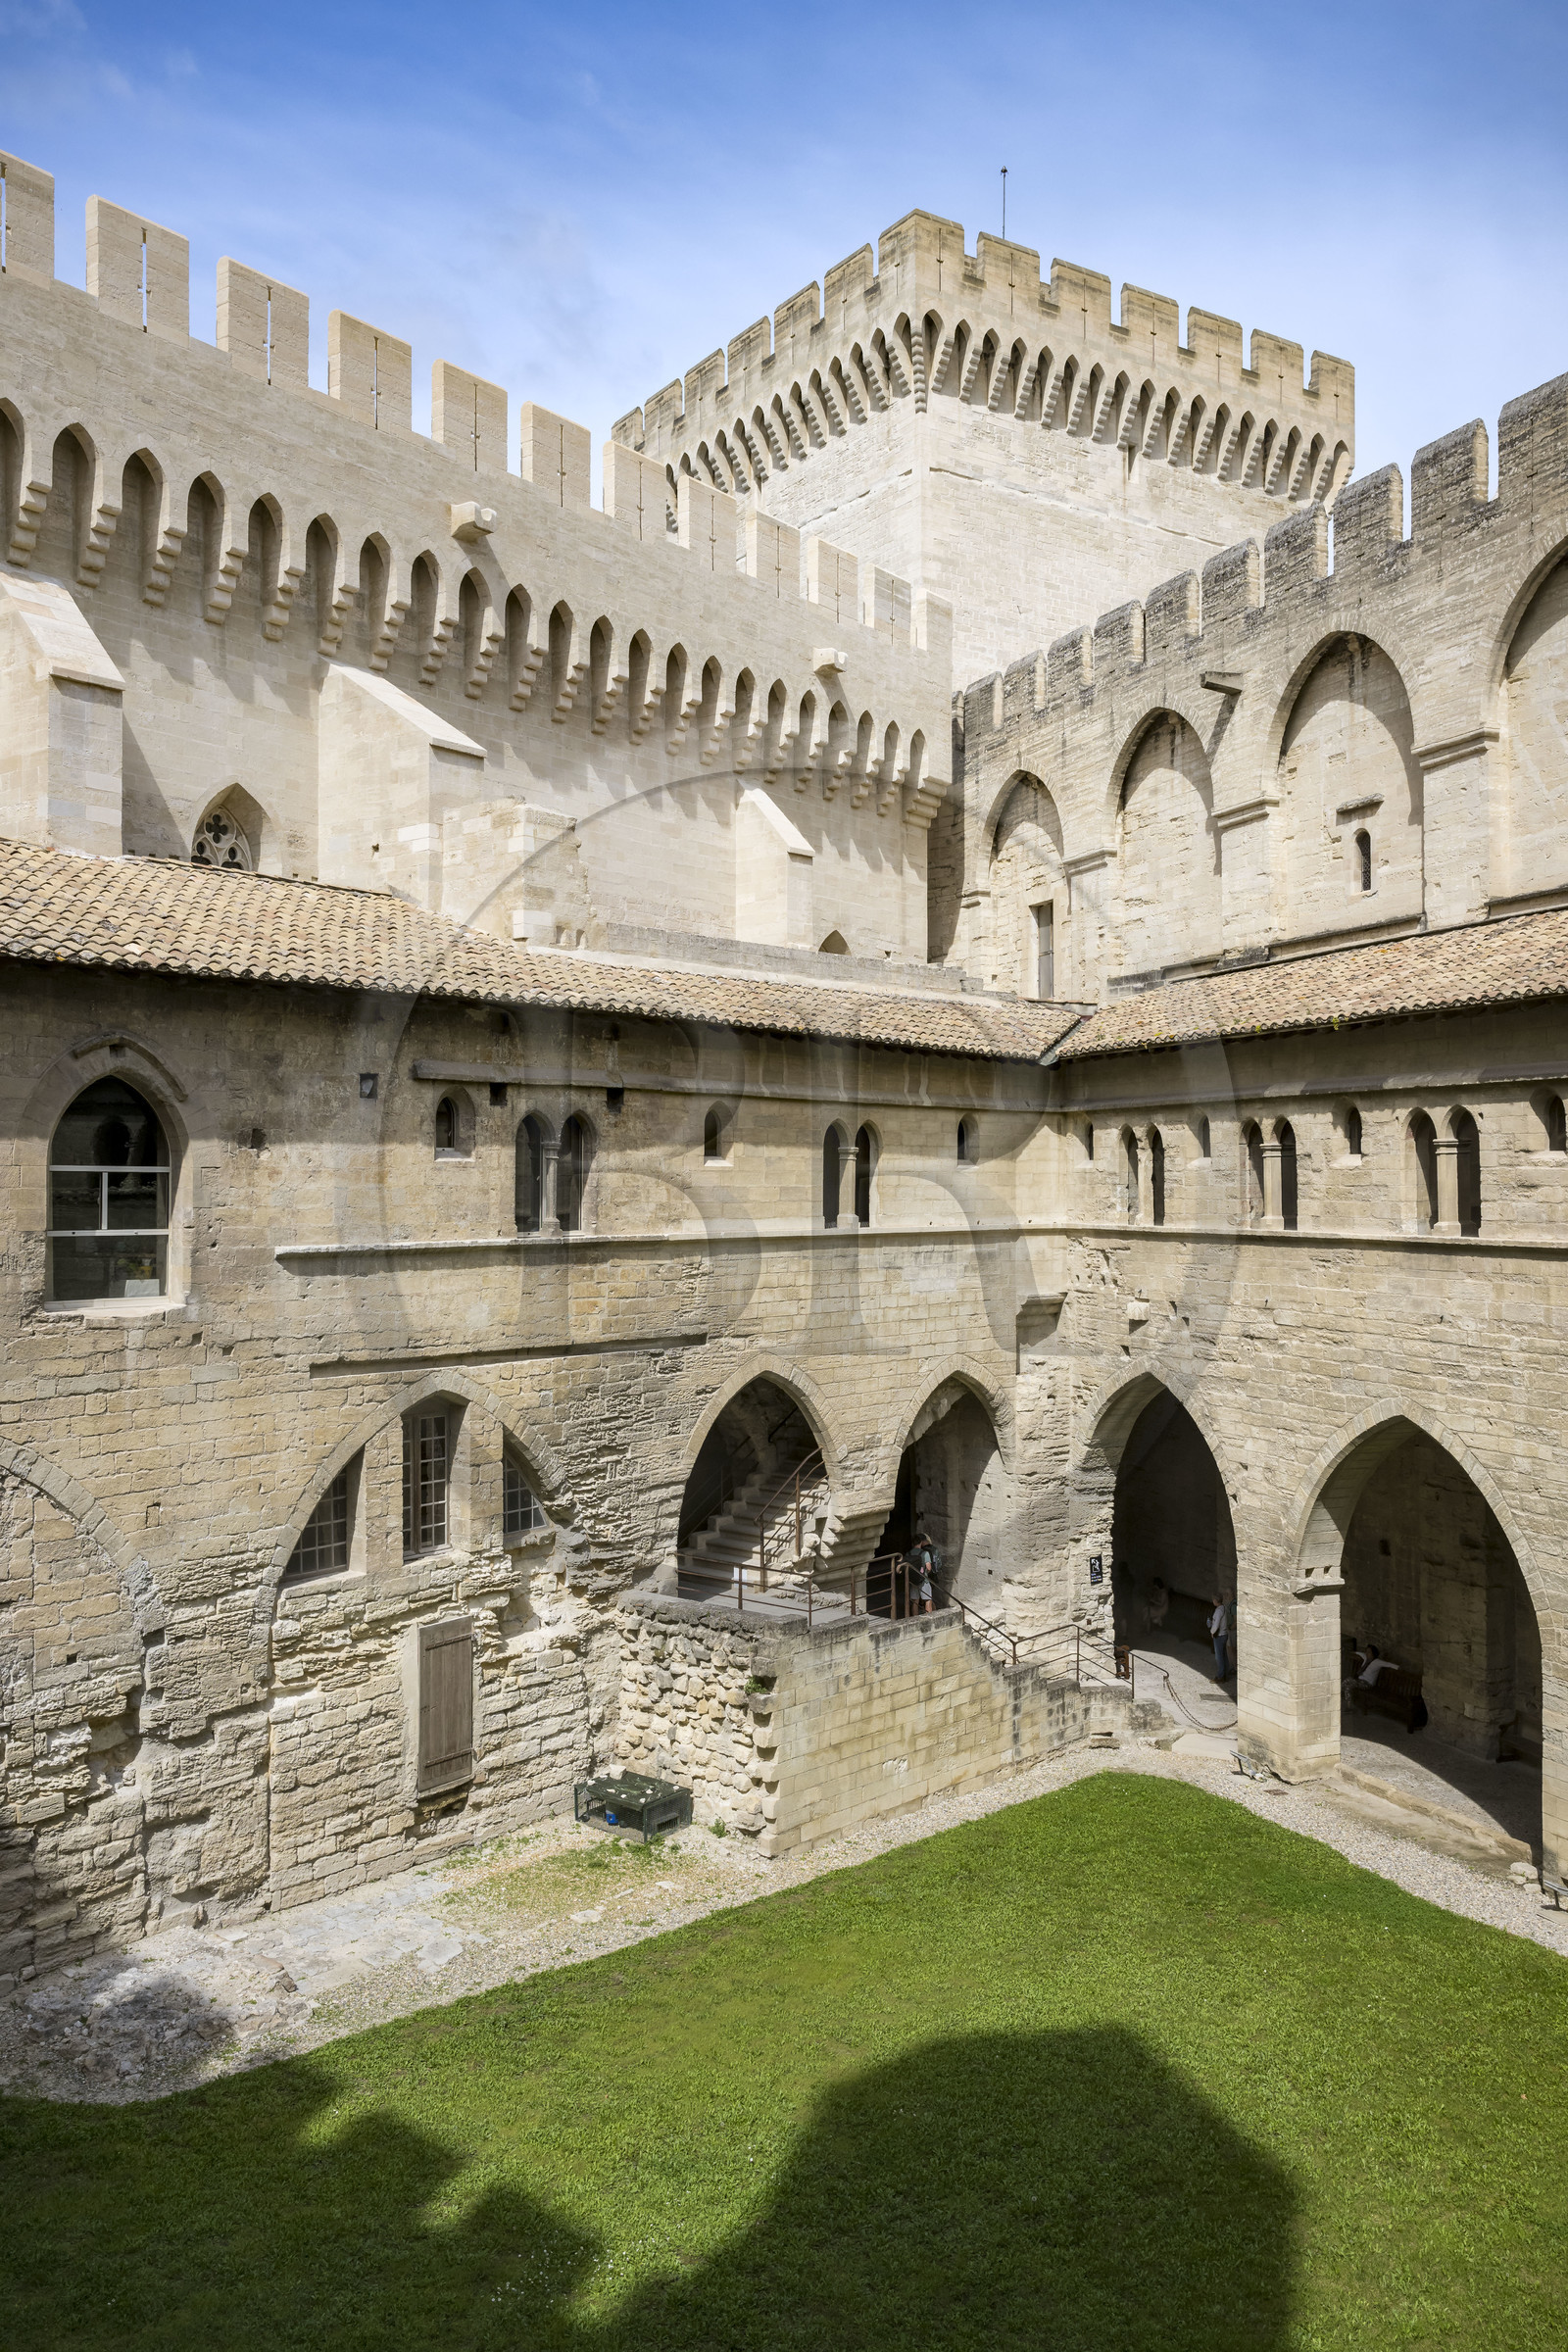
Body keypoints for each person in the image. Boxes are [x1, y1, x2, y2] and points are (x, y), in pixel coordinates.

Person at [1208, 1594, 1230, 1683]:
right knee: (1224, 1655)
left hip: (1219, 1636)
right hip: (1224, 1634)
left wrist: (1212, 1632)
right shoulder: (1223, 1608)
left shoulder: (1218, 1611)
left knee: (1219, 1657)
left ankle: (1220, 1676)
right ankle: (1225, 1674)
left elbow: (1216, 1624)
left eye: (1213, 1599)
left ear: (1216, 1601)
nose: (1213, 1601)